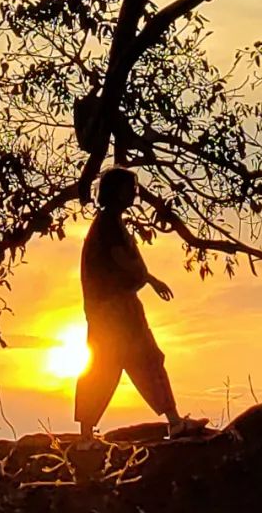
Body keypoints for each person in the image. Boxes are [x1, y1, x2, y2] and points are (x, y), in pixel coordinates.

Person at [74, 166, 206, 443]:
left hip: (109, 308)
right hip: (115, 309)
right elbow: (122, 261)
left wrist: (149, 279)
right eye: (128, 188)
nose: (134, 193)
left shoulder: (109, 222)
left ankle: (87, 433)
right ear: (115, 192)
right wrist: (146, 278)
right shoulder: (108, 224)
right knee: (141, 360)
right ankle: (174, 422)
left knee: (112, 364)